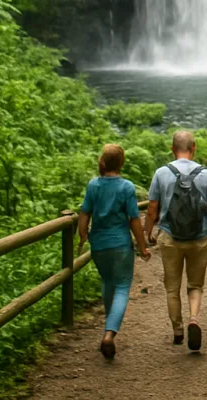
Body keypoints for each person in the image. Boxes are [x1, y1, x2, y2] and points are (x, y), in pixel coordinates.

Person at [144, 129, 207, 352]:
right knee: (195, 285)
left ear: (172, 148)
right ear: (194, 147)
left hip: (170, 238)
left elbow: (152, 210)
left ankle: (178, 330)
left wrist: (147, 235)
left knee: (172, 288)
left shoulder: (161, 173)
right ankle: (194, 319)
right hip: (199, 238)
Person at [77, 144, 150, 359]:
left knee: (108, 283)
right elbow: (134, 220)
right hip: (120, 245)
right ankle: (109, 334)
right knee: (122, 287)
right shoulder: (126, 187)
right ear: (121, 164)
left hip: (99, 244)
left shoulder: (93, 185)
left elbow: (84, 213)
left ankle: (108, 326)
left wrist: (83, 236)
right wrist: (142, 246)